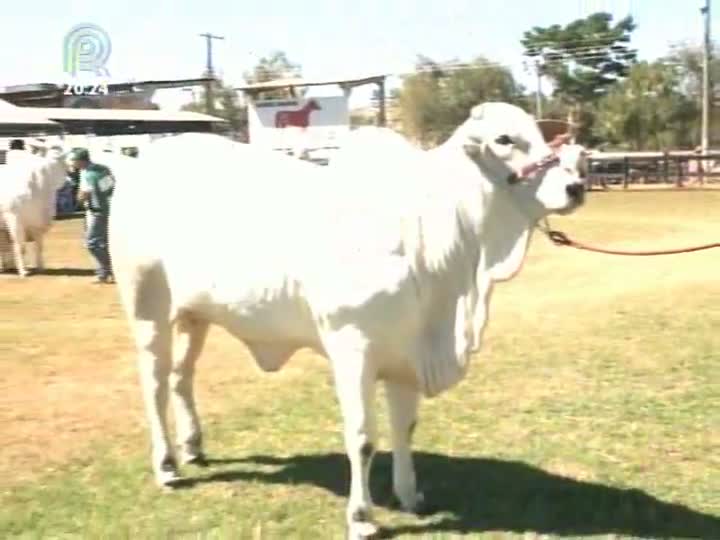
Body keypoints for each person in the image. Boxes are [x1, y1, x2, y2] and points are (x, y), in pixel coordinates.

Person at [69, 148, 116, 284]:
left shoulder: (89, 174)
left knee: (92, 242)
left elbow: (85, 193)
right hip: (107, 208)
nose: (72, 163)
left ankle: (106, 270)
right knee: (103, 242)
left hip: (97, 211)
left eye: (74, 160)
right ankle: (105, 272)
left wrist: (77, 202)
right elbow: (110, 188)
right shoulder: (102, 169)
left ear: (81, 161)